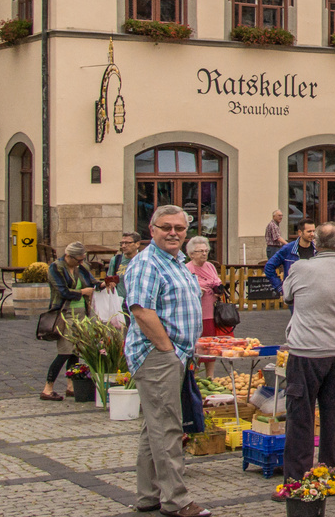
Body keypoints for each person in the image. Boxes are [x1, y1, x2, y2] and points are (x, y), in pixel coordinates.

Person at [124, 204, 210, 517]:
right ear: (152, 230)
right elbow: (142, 310)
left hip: (174, 353)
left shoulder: (174, 261)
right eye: (166, 227)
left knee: (154, 427)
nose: (173, 233)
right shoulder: (148, 262)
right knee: (168, 429)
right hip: (158, 355)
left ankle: (148, 496)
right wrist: (168, 349)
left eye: (179, 228)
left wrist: (185, 351)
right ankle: (177, 501)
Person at [281, 222, 335, 487]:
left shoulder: (300, 267)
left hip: (305, 351)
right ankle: (329, 474)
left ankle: (297, 479)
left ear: (315, 243)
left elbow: (287, 296)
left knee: (300, 417)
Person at [41, 242, 96, 401]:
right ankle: (47, 388)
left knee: (75, 351)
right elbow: (63, 291)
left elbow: (92, 281)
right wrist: (82, 292)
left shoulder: (81, 267)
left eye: (82, 260)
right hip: (65, 314)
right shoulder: (56, 268)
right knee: (65, 351)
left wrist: (105, 283)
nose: (81, 263)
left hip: (81, 314)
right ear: (68, 256)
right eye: (78, 260)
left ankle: (71, 386)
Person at [264, 219, 318, 296]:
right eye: (309, 231)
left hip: (314, 293)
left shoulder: (317, 250)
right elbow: (269, 266)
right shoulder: (288, 249)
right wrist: (280, 287)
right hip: (295, 295)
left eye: (314, 231)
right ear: (300, 232)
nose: (312, 234)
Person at [184, 237, 221, 338]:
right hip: (197, 312)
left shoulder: (210, 266)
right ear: (191, 254)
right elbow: (184, 290)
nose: (204, 254)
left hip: (214, 311)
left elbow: (217, 281)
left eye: (206, 251)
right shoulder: (187, 269)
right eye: (200, 251)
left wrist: (218, 289)